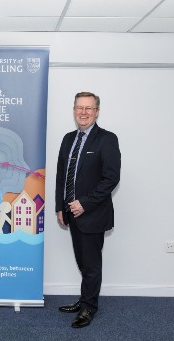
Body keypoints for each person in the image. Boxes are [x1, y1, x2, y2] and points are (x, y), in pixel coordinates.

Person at [55, 92, 121, 328]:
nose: (83, 112)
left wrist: (85, 203)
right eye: (79, 108)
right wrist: (60, 207)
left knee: (91, 265)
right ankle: (84, 300)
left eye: (88, 108)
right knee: (82, 261)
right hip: (71, 213)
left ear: (97, 112)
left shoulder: (107, 139)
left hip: (93, 213)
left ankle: (89, 308)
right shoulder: (67, 139)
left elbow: (111, 178)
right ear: (73, 110)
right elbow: (62, 175)